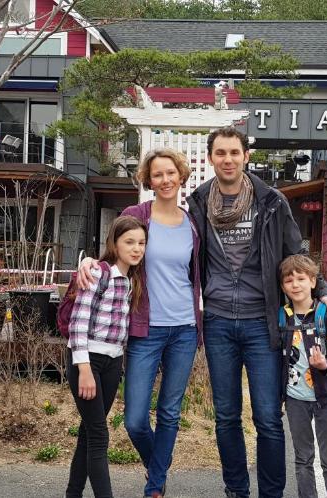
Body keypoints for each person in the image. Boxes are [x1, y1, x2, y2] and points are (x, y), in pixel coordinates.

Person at [186, 127, 327, 498]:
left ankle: (271, 493)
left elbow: (294, 253)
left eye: (234, 153)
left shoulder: (270, 201)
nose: (227, 159)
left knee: (268, 418)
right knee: (225, 417)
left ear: (245, 157)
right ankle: (236, 490)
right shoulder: (197, 203)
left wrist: (322, 290)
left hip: (263, 323)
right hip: (219, 321)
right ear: (211, 158)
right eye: (220, 153)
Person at [76, 148, 202, 498]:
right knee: (134, 419)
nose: (165, 180)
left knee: (170, 413)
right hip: (145, 329)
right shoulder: (136, 215)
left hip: (185, 329)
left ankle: (154, 487)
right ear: (148, 179)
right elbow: (110, 254)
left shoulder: (193, 224)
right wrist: (86, 262)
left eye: (170, 173)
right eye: (157, 174)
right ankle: (158, 467)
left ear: (181, 176)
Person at [66, 216, 147, 498]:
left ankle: (72, 493)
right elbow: (78, 323)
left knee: (89, 433)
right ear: (114, 243)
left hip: (113, 363)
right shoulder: (98, 273)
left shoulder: (130, 279)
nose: (136, 248)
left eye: (141, 243)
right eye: (129, 242)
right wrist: (84, 369)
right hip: (87, 362)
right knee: (100, 436)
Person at [278, 255, 327, 498]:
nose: (295, 285)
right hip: (295, 400)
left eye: (301, 279)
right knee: (302, 459)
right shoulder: (281, 317)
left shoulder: (325, 314)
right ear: (283, 286)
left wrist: (324, 363)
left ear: (313, 282)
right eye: (288, 280)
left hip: (325, 398)